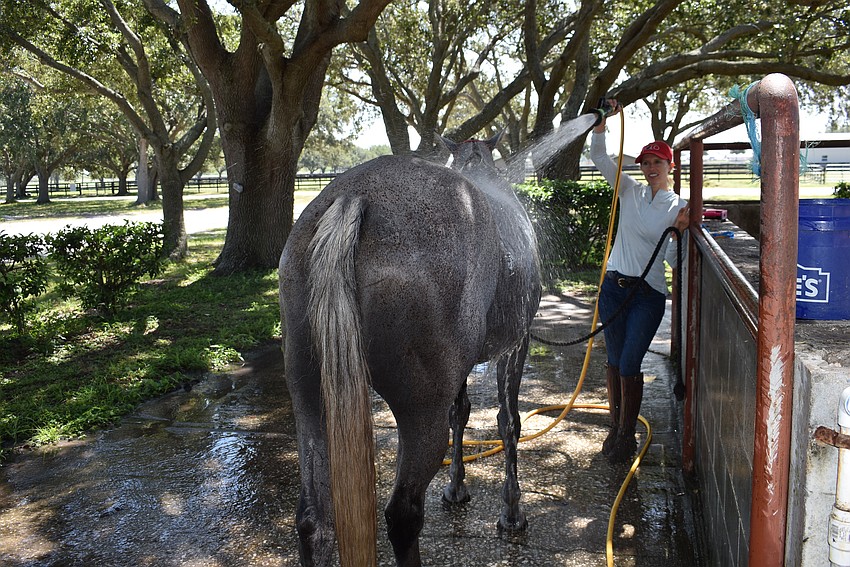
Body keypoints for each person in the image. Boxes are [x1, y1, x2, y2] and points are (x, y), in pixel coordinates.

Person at [590, 99, 689, 464]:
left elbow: (674, 262)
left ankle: (627, 436)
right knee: (615, 361)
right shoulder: (628, 191)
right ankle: (616, 428)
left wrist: (680, 232)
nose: (650, 168)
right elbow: (600, 158)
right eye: (645, 162)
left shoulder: (677, 206)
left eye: (657, 162)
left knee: (631, 361)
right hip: (613, 290)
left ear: (669, 166)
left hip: (647, 295)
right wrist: (602, 126)